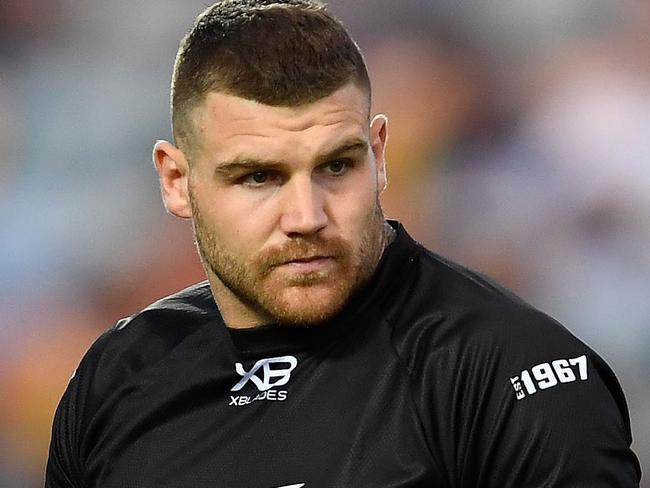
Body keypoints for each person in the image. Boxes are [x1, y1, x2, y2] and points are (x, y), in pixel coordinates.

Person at [45, 1, 641, 486]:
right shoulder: (117, 379)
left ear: (378, 155)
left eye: (336, 167)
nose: (306, 216)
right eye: (259, 177)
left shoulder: (507, 370)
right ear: (177, 181)